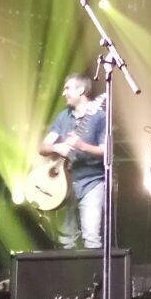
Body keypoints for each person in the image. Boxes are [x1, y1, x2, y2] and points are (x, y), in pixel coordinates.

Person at [41, 73, 108, 249]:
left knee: (91, 238)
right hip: (64, 186)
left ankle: (94, 267)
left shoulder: (100, 117)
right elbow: (43, 147)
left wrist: (81, 145)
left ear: (81, 90)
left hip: (92, 182)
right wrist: (57, 147)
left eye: (67, 88)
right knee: (65, 241)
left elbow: (105, 151)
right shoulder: (63, 116)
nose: (64, 93)